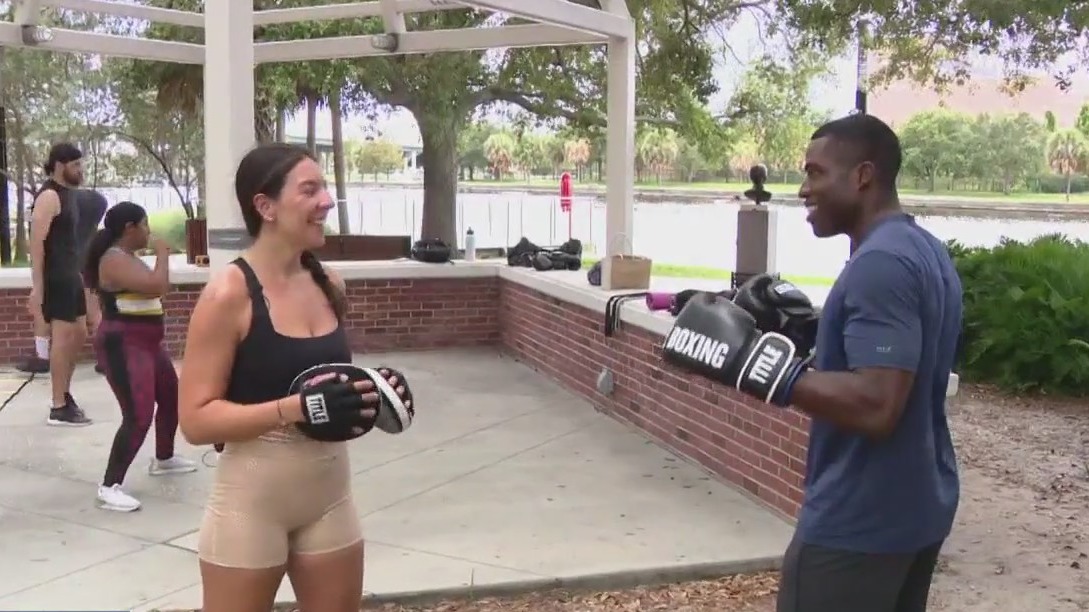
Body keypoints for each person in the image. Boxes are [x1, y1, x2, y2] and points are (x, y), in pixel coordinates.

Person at [661, 114, 961, 612]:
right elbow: (907, 360)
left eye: (815, 173)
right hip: (914, 510)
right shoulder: (924, 249)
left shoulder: (880, 264)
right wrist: (813, 336)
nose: (803, 189)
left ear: (862, 176)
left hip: (859, 521)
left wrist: (758, 364)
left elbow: (877, 404)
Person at [178, 143, 412, 612]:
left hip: (331, 500)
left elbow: (321, 381)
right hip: (251, 506)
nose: (326, 201)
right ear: (265, 207)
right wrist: (296, 408)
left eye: (324, 188)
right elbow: (196, 422)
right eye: (309, 190)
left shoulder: (329, 283)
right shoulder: (228, 294)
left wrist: (372, 393)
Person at [83, 201, 197, 512]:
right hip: (124, 344)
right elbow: (158, 286)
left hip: (148, 344)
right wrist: (163, 254)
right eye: (145, 225)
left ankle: (164, 457)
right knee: (138, 413)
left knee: (171, 397)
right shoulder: (113, 260)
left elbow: (156, 288)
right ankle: (110, 486)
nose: (149, 231)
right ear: (129, 228)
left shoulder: (129, 258)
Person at [29, 143, 92, 426]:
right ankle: (58, 406)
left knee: (79, 333)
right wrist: (38, 287)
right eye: (75, 164)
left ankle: (64, 393)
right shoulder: (49, 196)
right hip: (56, 277)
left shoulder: (69, 195)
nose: (80, 169)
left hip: (71, 275)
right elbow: (36, 244)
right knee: (63, 338)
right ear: (59, 165)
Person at [19, 188, 109, 375]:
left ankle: (42, 357)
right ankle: (106, 358)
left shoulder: (61, 222)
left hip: (64, 270)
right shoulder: (91, 218)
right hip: (87, 266)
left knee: (44, 311)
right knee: (94, 314)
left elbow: (40, 243)